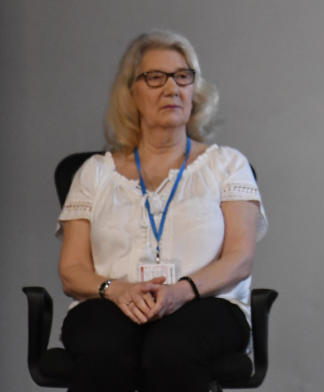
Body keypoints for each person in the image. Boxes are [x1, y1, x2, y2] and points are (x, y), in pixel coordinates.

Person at [57, 30, 268, 392]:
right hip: (112, 302)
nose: (171, 88)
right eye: (155, 78)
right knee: (105, 347)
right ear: (131, 93)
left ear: (194, 90)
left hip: (205, 303)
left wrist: (180, 292)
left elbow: (239, 259)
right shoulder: (94, 172)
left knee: (171, 349)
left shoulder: (228, 165)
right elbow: (73, 271)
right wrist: (118, 290)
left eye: (182, 76)